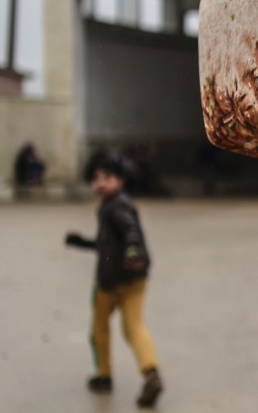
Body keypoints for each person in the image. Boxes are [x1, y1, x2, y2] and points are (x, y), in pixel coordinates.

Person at [64, 158, 163, 408]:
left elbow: (130, 231)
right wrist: (82, 243)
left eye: (107, 178)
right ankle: (150, 372)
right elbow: (107, 245)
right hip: (133, 277)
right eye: (96, 178)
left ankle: (104, 375)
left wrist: (132, 249)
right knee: (133, 327)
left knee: (100, 330)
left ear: (120, 181)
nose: (100, 184)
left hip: (111, 282)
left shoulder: (116, 207)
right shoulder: (112, 206)